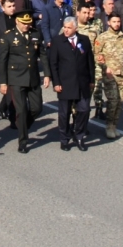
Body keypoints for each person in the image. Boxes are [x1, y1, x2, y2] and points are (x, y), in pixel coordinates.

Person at [0, 10, 50, 153]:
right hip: (16, 78)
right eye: (23, 23)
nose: (26, 26)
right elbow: (2, 61)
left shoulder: (35, 34)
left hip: (33, 77)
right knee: (21, 110)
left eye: (28, 23)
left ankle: (24, 125)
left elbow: (43, 54)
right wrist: (3, 82)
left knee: (37, 108)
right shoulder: (8, 36)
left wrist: (47, 74)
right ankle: (23, 141)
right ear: (17, 22)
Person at [49, 17, 95, 151]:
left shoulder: (84, 40)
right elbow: (53, 64)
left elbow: (90, 61)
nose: (66, 30)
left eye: (69, 27)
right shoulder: (58, 41)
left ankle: (79, 136)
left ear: (76, 28)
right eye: (65, 27)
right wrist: (56, 82)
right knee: (64, 114)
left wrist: (92, 80)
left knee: (84, 110)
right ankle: (64, 139)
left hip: (82, 83)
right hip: (65, 83)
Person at [94, 12, 123, 139]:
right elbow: (96, 55)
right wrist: (104, 66)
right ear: (108, 22)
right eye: (114, 21)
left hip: (121, 74)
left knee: (120, 101)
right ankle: (109, 126)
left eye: (118, 22)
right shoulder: (102, 37)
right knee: (113, 100)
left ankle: (114, 125)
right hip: (109, 74)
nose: (116, 24)